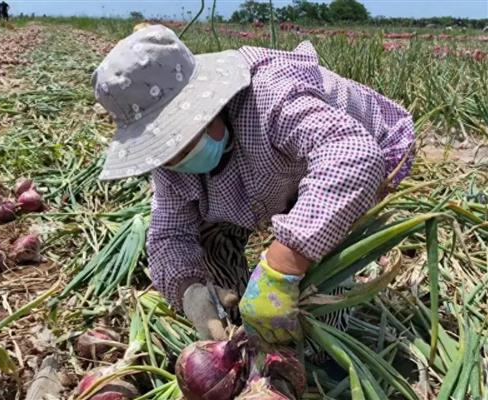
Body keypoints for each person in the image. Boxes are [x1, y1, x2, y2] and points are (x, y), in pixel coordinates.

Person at [93, 25, 414, 360]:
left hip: (356, 154)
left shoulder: (271, 95)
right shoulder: (171, 166)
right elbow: (169, 234)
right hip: (270, 176)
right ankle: (241, 320)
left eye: (181, 137)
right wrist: (191, 293)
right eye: (162, 149)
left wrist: (283, 264)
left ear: (210, 102)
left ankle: (323, 347)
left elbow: (353, 157)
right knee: (207, 236)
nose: (174, 158)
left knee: (321, 246)